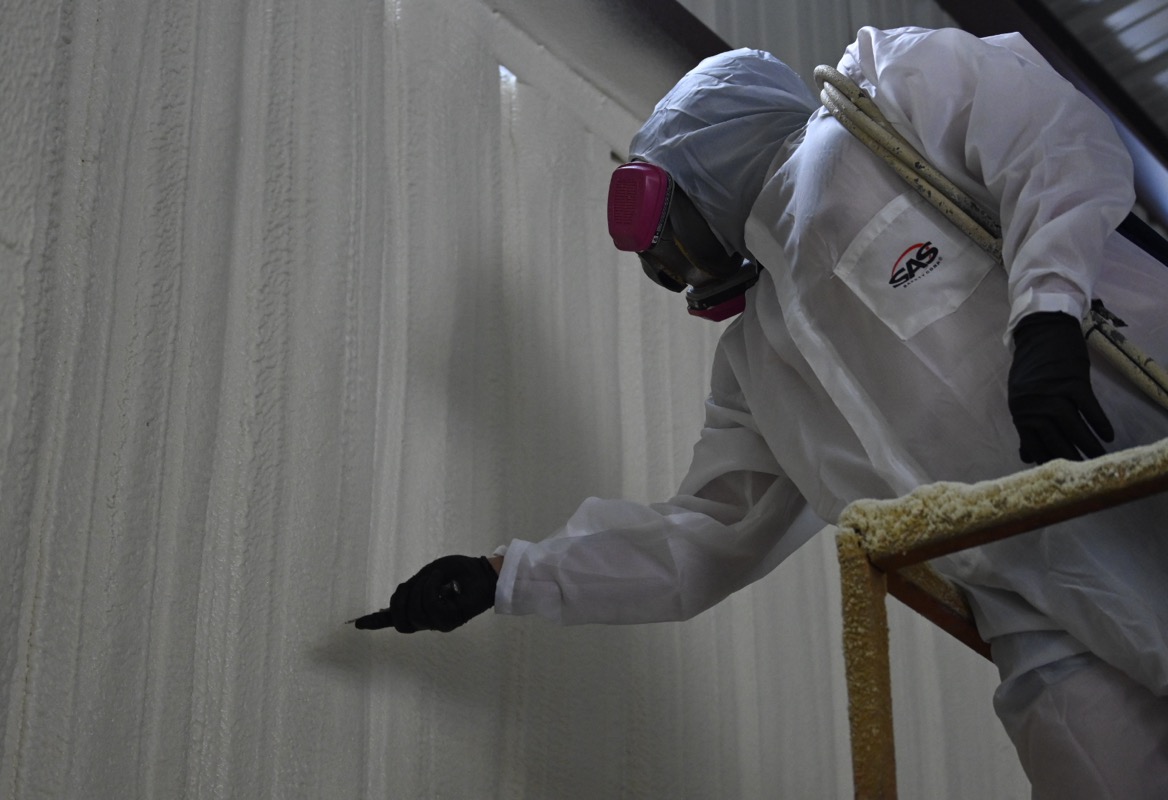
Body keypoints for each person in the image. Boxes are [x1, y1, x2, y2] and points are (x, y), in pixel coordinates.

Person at [353, 26, 1168, 796]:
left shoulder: (883, 98)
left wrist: (1049, 313)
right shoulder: (759, 361)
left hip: (1141, 456)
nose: (671, 271)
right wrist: (508, 576)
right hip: (1037, 604)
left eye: (665, 244)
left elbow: (1053, 141)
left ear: (694, 165)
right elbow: (705, 533)